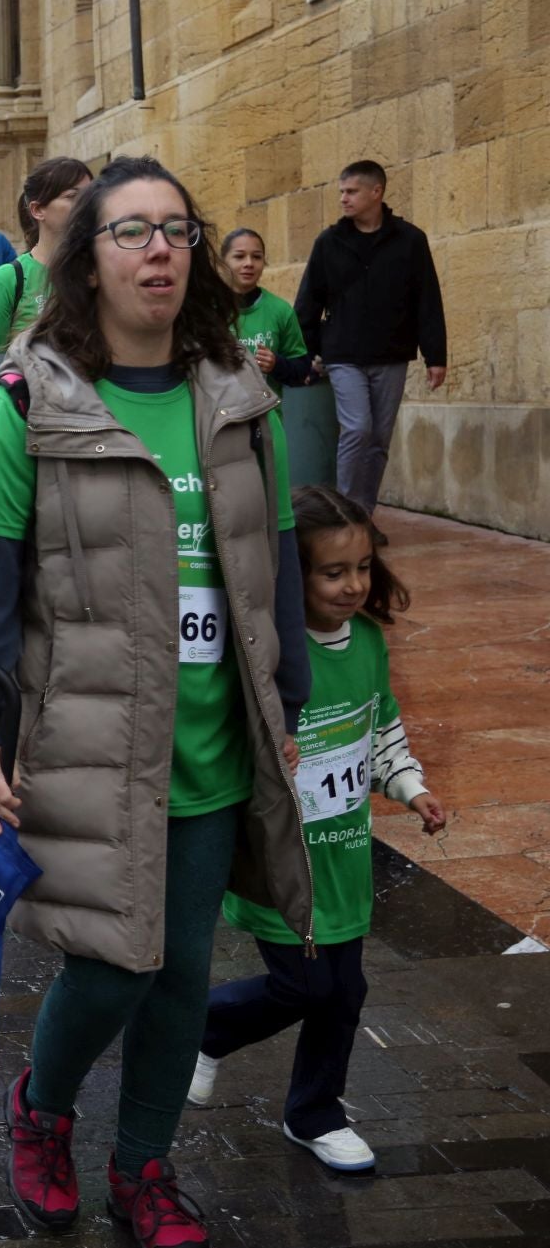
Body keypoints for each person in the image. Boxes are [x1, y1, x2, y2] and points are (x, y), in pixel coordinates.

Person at [0, 156, 312, 1248]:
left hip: (212, 739)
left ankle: (143, 1166)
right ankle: (42, 1110)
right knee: (113, 963)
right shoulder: (29, 404)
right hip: (86, 736)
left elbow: (272, 559)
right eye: (131, 230)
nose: (159, 249)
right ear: (85, 259)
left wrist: (284, 703)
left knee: (185, 969)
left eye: (177, 231)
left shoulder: (243, 399)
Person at [192, 483, 447, 1175]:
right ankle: (209, 1025)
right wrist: (267, 751)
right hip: (285, 862)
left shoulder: (366, 640)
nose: (353, 585)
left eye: (362, 568)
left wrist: (411, 787)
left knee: (346, 990)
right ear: (289, 573)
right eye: (332, 571)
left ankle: (314, 1112)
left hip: (345, 858)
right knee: (305, 987)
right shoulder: (269, 651)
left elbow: (380, 725)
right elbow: (221, 734)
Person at [294, 159, 447, 514]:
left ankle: (363, 514)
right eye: (341, 192)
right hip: (343, 355)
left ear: (376, 192)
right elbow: (307, 303)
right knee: (358, 429)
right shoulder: (328, 242)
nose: (343, 199)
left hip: (391, 355)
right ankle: (345, 514)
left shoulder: (410, 241)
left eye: (351, 192)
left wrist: (435, 356)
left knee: (379, 440)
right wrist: (308, 352)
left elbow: (427, 299)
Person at [0, 156, 93, 440]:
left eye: (91, 196)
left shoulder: (102, 276)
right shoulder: (7, 281)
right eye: (73, 197)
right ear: (38, 210)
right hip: (24, 433)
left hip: (90, 429)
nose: (87, 205)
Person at [223, 228, 316, 397]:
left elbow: (302, 370)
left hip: (267, 417)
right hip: (218, 419)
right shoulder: (206, 310)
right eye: (239, 256)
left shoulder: (280, 310)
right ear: (223, 262)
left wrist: (276, 364)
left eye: (257, 257)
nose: (249, 263)